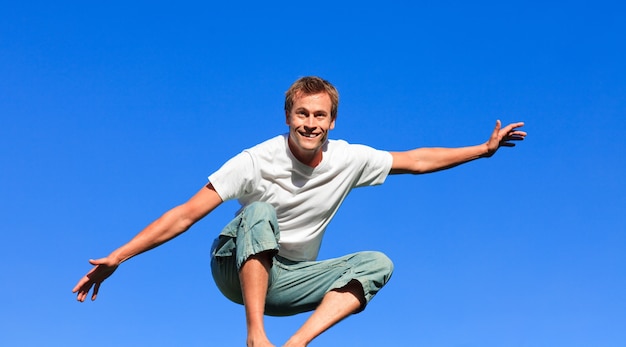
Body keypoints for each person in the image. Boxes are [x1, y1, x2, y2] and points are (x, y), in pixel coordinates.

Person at [73, 76, 526, 347]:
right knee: (259, 212)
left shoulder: (350, 158)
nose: (311, 123)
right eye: (302, 114)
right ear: (288, 117)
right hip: (235, 265)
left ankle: (296, 344)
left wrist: (482, 151)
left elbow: (417, 159)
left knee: (377, 264)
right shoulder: (255, 161)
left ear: (332, 122)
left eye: (320, 116)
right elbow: (187, 213)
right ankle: (255, 336)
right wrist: (120, 255)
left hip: (289, 280)